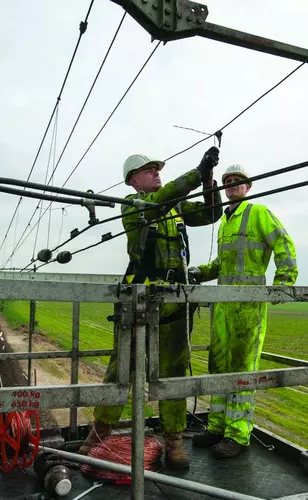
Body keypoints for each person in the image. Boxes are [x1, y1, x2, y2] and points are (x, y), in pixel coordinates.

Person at [77, 146, 223, 469]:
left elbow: (212, 214)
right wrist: (196, 174)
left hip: (172, 305)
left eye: (158, 168)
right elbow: (161, 202)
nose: (157, 172)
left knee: (172, 373)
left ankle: (174, 441)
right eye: (150, 170)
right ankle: (97, 435)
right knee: (122, 370)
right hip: (138, 302)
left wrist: (209, 182)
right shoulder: (134, 206)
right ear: (133, 181)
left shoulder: (175, 208)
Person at [188, 164, 298, 458]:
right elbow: (221, 266)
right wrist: (199, 271)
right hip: (224, 307)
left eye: (238, 182)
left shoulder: (257, 213)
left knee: (242, 370)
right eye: (227, 182)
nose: (232, 185)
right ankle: (217, 427)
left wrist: (283, 283)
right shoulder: (225, 222)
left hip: (248, 305)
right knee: (219, 366)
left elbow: (283, 243)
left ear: (247, 187)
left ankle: (238, 435)